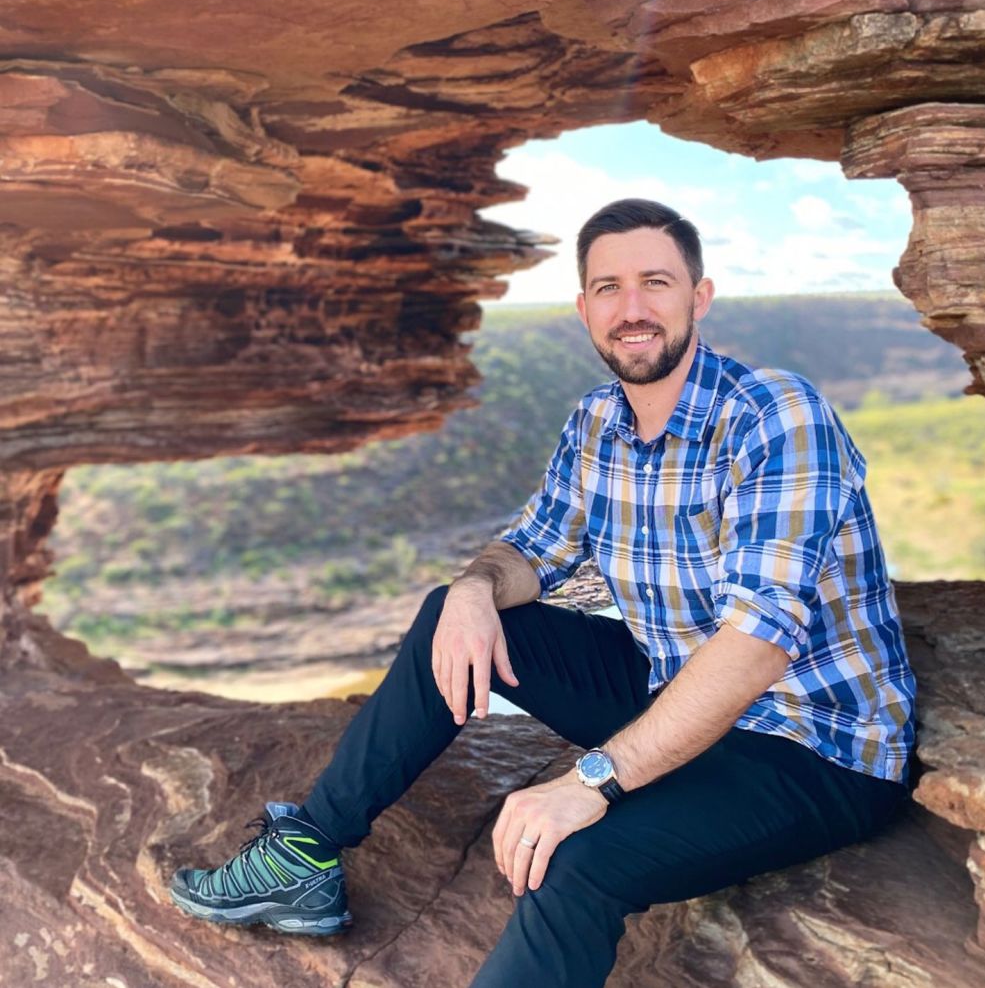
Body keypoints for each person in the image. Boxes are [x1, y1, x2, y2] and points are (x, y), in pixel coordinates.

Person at [171, 198, 917, 987]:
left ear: (699, 297)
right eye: (608, 288)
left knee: (575, 859)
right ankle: (307, 852)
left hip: (812, 746)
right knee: (450, 620)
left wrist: (588, 779)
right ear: (583, 308)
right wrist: (471, 588)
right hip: (667, 685)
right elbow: (528, 550)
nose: (632, 309)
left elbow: (757, 642)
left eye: (655, 283)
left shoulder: (777, 414)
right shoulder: (598, 424)